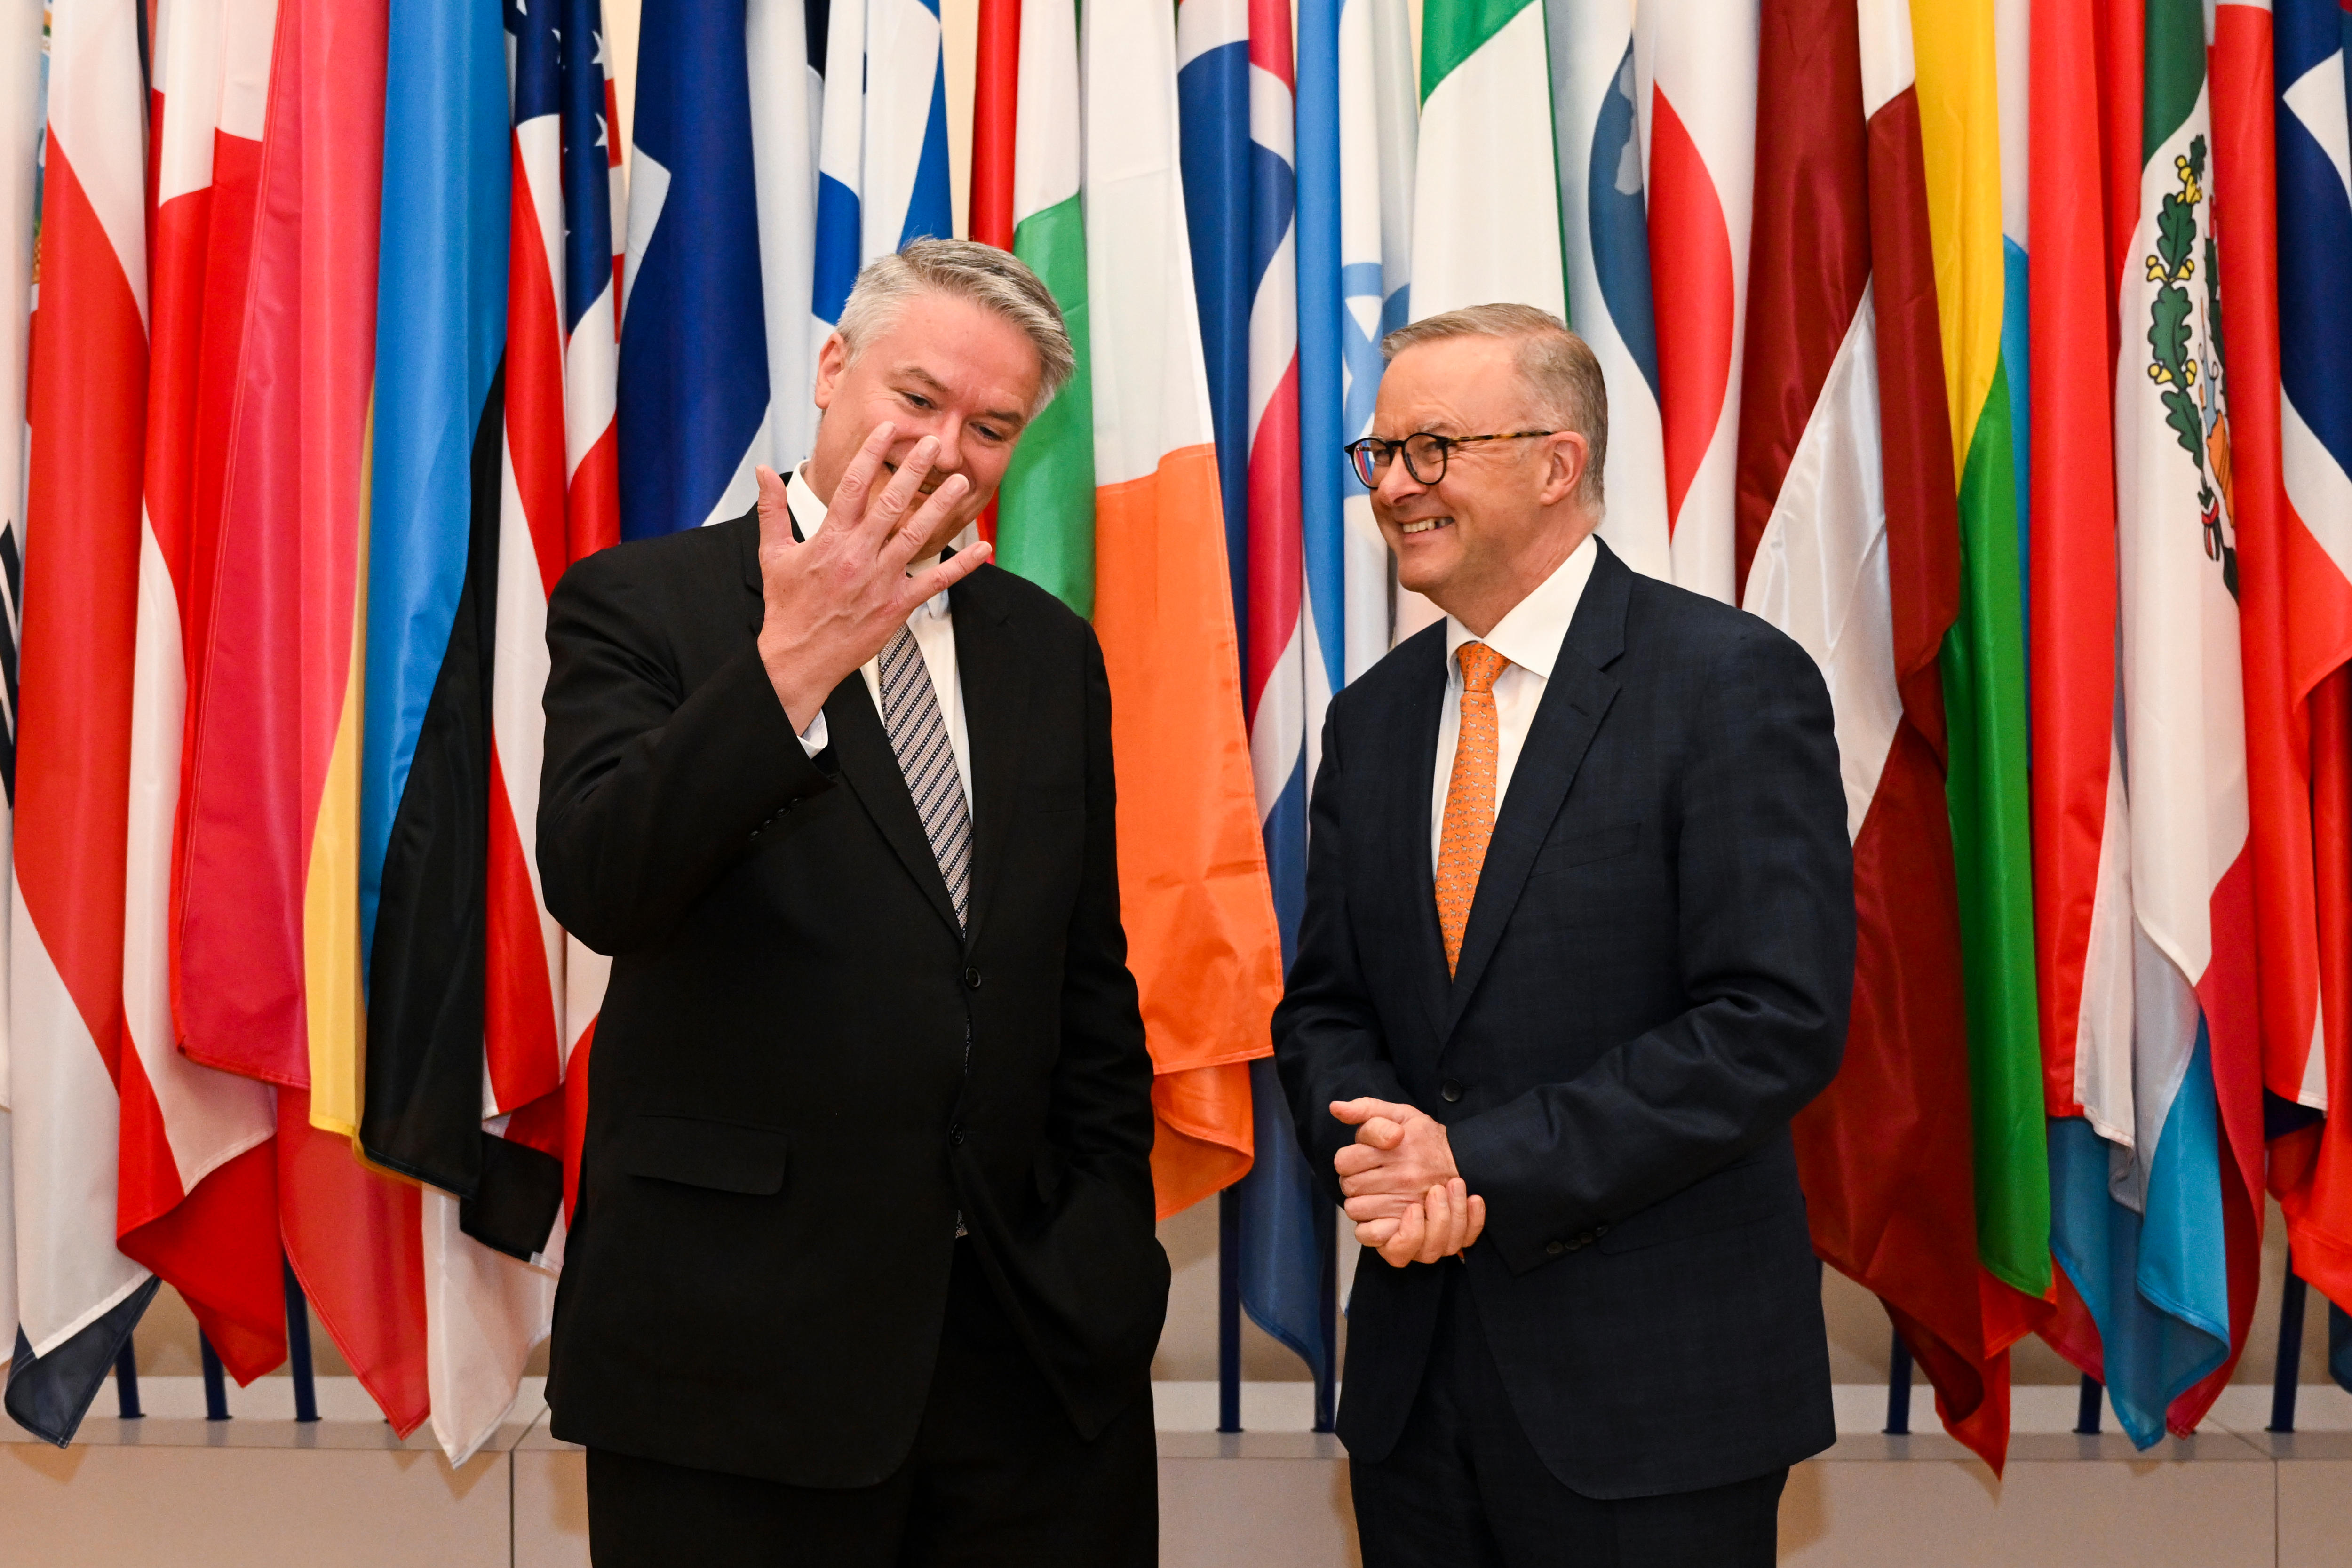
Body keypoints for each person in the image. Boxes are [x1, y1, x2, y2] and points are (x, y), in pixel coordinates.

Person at [539, 239, 1167, 1567]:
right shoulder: (642, 604)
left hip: (1030, 1357)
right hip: (735, 1365)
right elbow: (603, 884)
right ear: (832, 370)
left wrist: (1108, 1247)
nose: (948, 448)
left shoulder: (1049, 654)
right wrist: (794, 661)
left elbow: (1083, 988)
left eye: (993, 428)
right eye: (919, 398)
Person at [1273, 303, 1854, 1567]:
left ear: (1558, 463)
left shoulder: (1726, 682)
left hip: (1654, 1404)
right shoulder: (1371, 724)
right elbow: (1326, 1008)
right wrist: (1385, 1150)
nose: (1396, 488)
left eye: (1433, 449)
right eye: (1380, 455)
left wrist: (1473, 1163)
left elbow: (1773, 1024)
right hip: (1416, 1400)